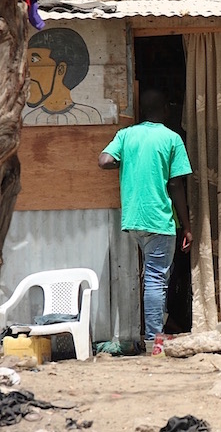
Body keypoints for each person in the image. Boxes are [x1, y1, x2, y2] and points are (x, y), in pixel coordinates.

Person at [98, 89, 193, 346]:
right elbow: (175, 185)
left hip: (133, 219)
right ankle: (154, 340)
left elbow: (105, 160)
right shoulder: (171, 138)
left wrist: (127, 161)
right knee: (155, 278)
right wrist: (186, 226)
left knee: (155, 274)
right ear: (165, 110)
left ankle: (157, 331)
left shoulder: (126, 135)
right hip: (158, 219)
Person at [24, 28, 103, 125]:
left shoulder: (89, 115)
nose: (26, 72)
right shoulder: (30, 119)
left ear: (60, 69)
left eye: (35, 61)